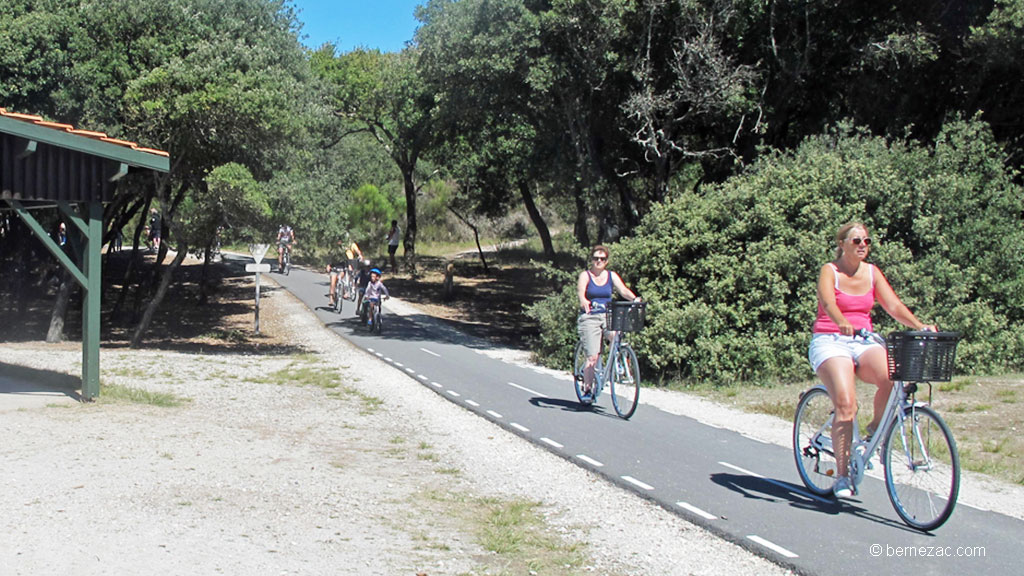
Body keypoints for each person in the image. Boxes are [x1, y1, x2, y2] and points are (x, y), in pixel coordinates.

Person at [809, 222, 936, 499]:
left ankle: (874, 432)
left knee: (893, 376)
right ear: (842, 244)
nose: (863, 245)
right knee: (846, 404)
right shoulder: (829, 271)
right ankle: (842, 476)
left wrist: (919, 325)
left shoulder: (872, 272)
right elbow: (828, 303)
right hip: (831, 340)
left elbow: (893, 306)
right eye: (856, 241)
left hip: (863, 340)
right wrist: (841, 321)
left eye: (866, 240)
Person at [576, 245, 640, 398]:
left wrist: (634, 299)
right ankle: (588, 388)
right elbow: (581, 291)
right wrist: (584, 300)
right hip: (590, 316)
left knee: (615, 335)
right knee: (592, 356)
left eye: (602, 259)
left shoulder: (611, 276)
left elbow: (623, 290)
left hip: (608, 315)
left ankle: (614, 363)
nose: (599, 261)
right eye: (596, 258)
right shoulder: (586, 275)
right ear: (591, 260)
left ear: (606, 261)